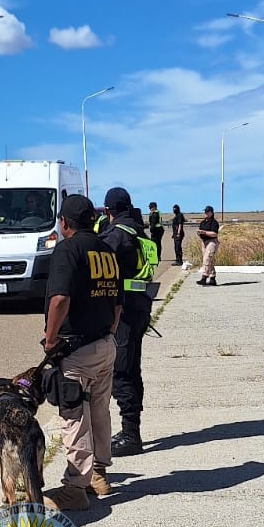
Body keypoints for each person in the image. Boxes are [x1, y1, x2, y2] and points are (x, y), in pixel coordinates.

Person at [42, 193, 122, 511]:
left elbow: (59, 299)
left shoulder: (67, 249)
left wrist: (50, 341)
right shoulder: (107, 251)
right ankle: (98, 474)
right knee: (100, 411)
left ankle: (76, 487)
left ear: (64, 223)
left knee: (75, 417)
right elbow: (117, 303)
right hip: (105, 345)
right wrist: (109, 334)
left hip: (76, 350)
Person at [101, 187, 152, 456]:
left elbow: (96, 266)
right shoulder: (136, 228)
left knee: (122, 371)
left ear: (108, 210)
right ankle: (131, 429)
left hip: (125, 313)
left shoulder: (116, 234)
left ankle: (131, 435)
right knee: (131, 368)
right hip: (139, 307)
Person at [196, 205, 220, 286]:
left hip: (212, 242)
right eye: (205, 211)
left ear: (211, 213)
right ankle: (212, 278)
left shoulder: (214, 223)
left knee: (207, 258)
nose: (205, 213)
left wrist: (205, 232)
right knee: (210, 260)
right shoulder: (203, 222)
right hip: (204, 242)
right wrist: (200, 233)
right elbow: (200, 231)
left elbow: (214, 234)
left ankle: (204, 277)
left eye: (207, 211)